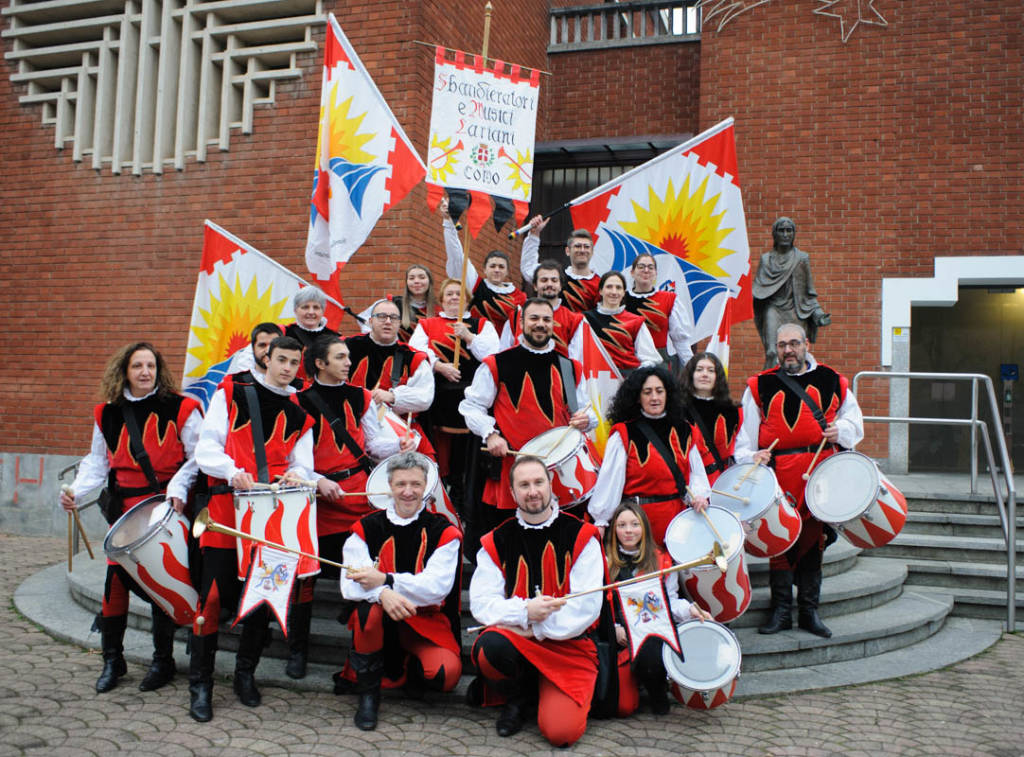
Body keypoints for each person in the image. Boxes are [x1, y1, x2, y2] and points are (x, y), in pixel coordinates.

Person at [60, 342, 202, 694]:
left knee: (162, 584)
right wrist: (76, 492)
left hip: (167, 510)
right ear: (124, 370)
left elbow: (200, 456)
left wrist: (180, 490)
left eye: (150, 365)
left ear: (159, 369)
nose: (144, 372)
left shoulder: (181, 408)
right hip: (123, 513)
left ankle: (163, 661)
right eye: (137, 365)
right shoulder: (107, 413)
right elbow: (97, 461)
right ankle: (113, 660)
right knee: (115, 586)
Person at [188, 335, 316, 722]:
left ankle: (245, 674)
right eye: (281, 360)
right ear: (266, 357)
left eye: (294, 362)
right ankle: (201, 684)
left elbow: (304, 462)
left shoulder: (302, 409)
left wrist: (297, 473)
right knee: (210, 599)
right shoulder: (232, 389)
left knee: (263, 598)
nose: (288, 368)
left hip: (273, 513)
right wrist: (232, 471)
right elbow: (206, 448)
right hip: (227, 509)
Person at [285, 335, 415, 680]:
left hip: (359, 493)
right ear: (319, 363)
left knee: (368, 564)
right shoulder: (296, 401)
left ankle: (360, 634)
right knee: (306, 575)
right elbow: (292, 460)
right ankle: (297, 649)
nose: (347, 362)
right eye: (340, 357)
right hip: (318, 498)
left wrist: (398, 444)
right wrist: (316, 482)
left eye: (347, 357)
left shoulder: (361, 396)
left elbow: (372, 443)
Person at [735, 323, 864, 638]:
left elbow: (854, 420)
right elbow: (744, 436)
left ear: (806, 343)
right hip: (777, 476)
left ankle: (809, 612)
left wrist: (840, 432)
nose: (788, 350)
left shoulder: (833, 380)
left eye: (794, 343)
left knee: (812, 542)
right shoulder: (759, 385)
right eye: (782, 345)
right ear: (775, 348)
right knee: (780, 542)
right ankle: (780, 612)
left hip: (819, 476)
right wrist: (751, 457)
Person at [468, 455, 603, 747]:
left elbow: (587, 607)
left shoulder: (582, 535)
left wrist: (537, 628)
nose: (533, 491)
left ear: (551, 485)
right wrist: (525, 611)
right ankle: (519, 696)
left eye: (539, 482)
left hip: (568, 646)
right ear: (512, 492)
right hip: (518, 640)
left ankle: (545, 693)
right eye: (524, 484)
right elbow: (481, 603)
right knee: (489, 646)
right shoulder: (496, 540)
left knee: (561, 734)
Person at [337, 452, 463, 730]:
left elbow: (436, 588)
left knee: (446, 674)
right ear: (390, 486)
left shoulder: (443, 531)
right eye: (401, 484)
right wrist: (382, 594)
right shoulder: (366, 527)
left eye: (416, 484)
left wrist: (385, 580)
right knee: (369, 614)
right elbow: (349, 583)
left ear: (426, 486)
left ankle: (409, 670)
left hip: (424, 620)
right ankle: (369, 696)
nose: (408, 492)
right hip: (379, 617)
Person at [461, 298, 596, 547]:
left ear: (553, 324)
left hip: (559, 473)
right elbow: (471, 406)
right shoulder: (496, 363)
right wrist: (490, 434)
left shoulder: (569, 366)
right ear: (521, 323)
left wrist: (586, 420)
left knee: (559, 542)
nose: (540, 324)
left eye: (546, 319)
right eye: (534, 318)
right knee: (512, 543)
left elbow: (588, 415)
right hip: (511, 469)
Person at [604, 501, 711, 717]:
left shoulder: (661, 560)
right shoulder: (604, 561)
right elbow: (599, 606)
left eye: (634, 524)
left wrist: (691, 610)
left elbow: (669, 603)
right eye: (622, 525)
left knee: (652, 649)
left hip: (650, 633)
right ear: (613, 529)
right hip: (619, 637)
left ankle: (657, 688)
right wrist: (614, 628)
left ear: (644, 527)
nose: (628, 531)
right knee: (623, 707)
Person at [588, 365, 711, 547]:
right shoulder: (624, 433)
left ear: (667, 394)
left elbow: (697, 474)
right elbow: (611, 481)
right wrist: (602, 519)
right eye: (647, 392)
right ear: (638, 397)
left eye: (659, 391)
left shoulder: (686, 431)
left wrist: (699, 496)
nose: (654, 397)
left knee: (673, 574)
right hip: (638, 523)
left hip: (678, 523)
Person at [409, 278, 500, 514]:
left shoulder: (481, 325)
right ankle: (443, 497)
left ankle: (467, 501)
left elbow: (493, 355)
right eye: (449, 294)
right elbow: (416, 351)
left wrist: (469, 337)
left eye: (459, 294)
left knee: (469, 458)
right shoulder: (428, 324)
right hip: (440, 402)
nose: (453, 298)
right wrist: (439, 366)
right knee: (442, 455)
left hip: (473, 399)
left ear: (467, 299)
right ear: (441, 299)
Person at [346, 298, 436, 458]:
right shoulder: (347, 347)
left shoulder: (413, 357)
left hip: (398, 433)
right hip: (352, 429)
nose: (388, 322)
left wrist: (393, 396)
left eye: (393, 318)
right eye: (382, 316)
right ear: (370, 320)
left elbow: (425, 398)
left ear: (399, 323)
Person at [752, 217, 831, 369]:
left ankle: (796, 384)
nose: (786, 234)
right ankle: (768, 387)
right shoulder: (766, 259)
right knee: (772, 352)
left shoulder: (802, 258)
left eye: (789, 230)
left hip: (796, 310)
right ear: (775, 234)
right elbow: (758, 289)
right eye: (782, 230)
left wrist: (819, 314)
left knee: (796, 352)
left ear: (794, 234)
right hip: (773, 309)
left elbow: (809, 292)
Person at [441, 197, 525, 333]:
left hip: (501, 350)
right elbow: (457, 257)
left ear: (508, 272)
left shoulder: (519, 297)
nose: (496, 270)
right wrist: (449, 223)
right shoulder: (475, 285)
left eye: (501, 267)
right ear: (484, 269)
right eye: (492, 266)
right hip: (472, 345)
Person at [499, 259, 585, 359]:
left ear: (560, 285)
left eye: (554, 280)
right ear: (535, 286)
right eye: (544, 280)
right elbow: (503, 355)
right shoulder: (516, 316)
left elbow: (576, 361)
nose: (549, 284)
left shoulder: (574, 321)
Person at [681, 351, 742, 485]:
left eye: (710, 370)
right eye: (699, 369)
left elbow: (741, 447)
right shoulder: (677, 409)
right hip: (690, 484)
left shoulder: (733, 410)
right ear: (691, 375)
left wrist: (753, 456)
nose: (704, 374)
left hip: (724, 483)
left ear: (717, 376)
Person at [623, 251, 695, 365]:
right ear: (632, 272)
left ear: (656, 273)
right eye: (641, 266)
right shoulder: (621, 299)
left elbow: (680, 341)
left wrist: (691, 368)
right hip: (627, 363)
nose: (646, 270)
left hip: (659, 364)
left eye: (650, 267)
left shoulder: (669, 299)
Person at [583, 270, 660, 374]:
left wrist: (635, 378)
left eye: (618, 288)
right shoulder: (585, 319)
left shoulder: (636, 322)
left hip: (627, 382)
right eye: (609, 287)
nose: (614, 292)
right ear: (600, 291)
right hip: (594, 380)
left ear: (624, 292)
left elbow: (649, 358)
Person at [520, 215, 600, 312]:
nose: (582, 250)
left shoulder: (600, 284)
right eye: (577, 246)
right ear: (567, 251)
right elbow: (528, 268)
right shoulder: (555, 276)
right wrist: (534, 234)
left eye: (586, 247)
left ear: (592, 251)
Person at [284, 287, 340, 382]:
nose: (311, 312)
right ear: (295, 310)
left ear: (323, 311)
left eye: (316, 307)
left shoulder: (335, 338)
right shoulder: (284, 333)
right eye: (305, 307)